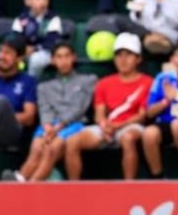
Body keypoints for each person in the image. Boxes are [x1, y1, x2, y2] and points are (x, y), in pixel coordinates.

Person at [64, 32, 153, 181]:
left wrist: (117, 126)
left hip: (131, 126)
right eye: (119, 55)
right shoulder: (104, 83)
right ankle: (74, 188)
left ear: (138, 59)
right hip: (107, 126)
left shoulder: (148, 82)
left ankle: (129, 186)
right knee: (72, 141)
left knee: (128, 138)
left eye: (128, 55)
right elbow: (100, 112)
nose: (123, 60)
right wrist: (104, 125)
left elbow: (142, 115)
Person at [5, 41, 95, 182]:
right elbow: (45, 109)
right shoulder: (44, 87)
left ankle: (28, 186)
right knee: (37, 148)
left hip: (74, 125)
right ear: (53, 60)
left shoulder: (88, 81)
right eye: (59, 57)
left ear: (74, 58)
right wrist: (48, 127)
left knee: (52, 149)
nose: (63, 61)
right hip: (49, 126)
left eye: (67, 56)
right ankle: (20, 178)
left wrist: (57, 128)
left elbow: (78, 109)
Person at [141, 40, 178, 180]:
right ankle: (157, 177)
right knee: (149, 133)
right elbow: (149, 112)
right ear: (172, 59)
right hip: (164, 123)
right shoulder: (162, 79)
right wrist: (166, 101)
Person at [0, 35, 37, 156]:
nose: (2, 56)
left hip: (8, 133)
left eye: (8, 53)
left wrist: (1, 116)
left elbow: (29, 118)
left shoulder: (28, 81)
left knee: (1, 103)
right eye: (0, 51)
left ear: (20, 58)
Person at [10, 0, 63, 77]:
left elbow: (52, 41)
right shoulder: (20, 19)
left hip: (46, 52)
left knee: (36, 59)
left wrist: (34, 49)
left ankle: (30, 83)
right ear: (27, 1)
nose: (43, 2)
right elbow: (16, 39)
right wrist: (23, 50)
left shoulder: (53, 19)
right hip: (24, 52)